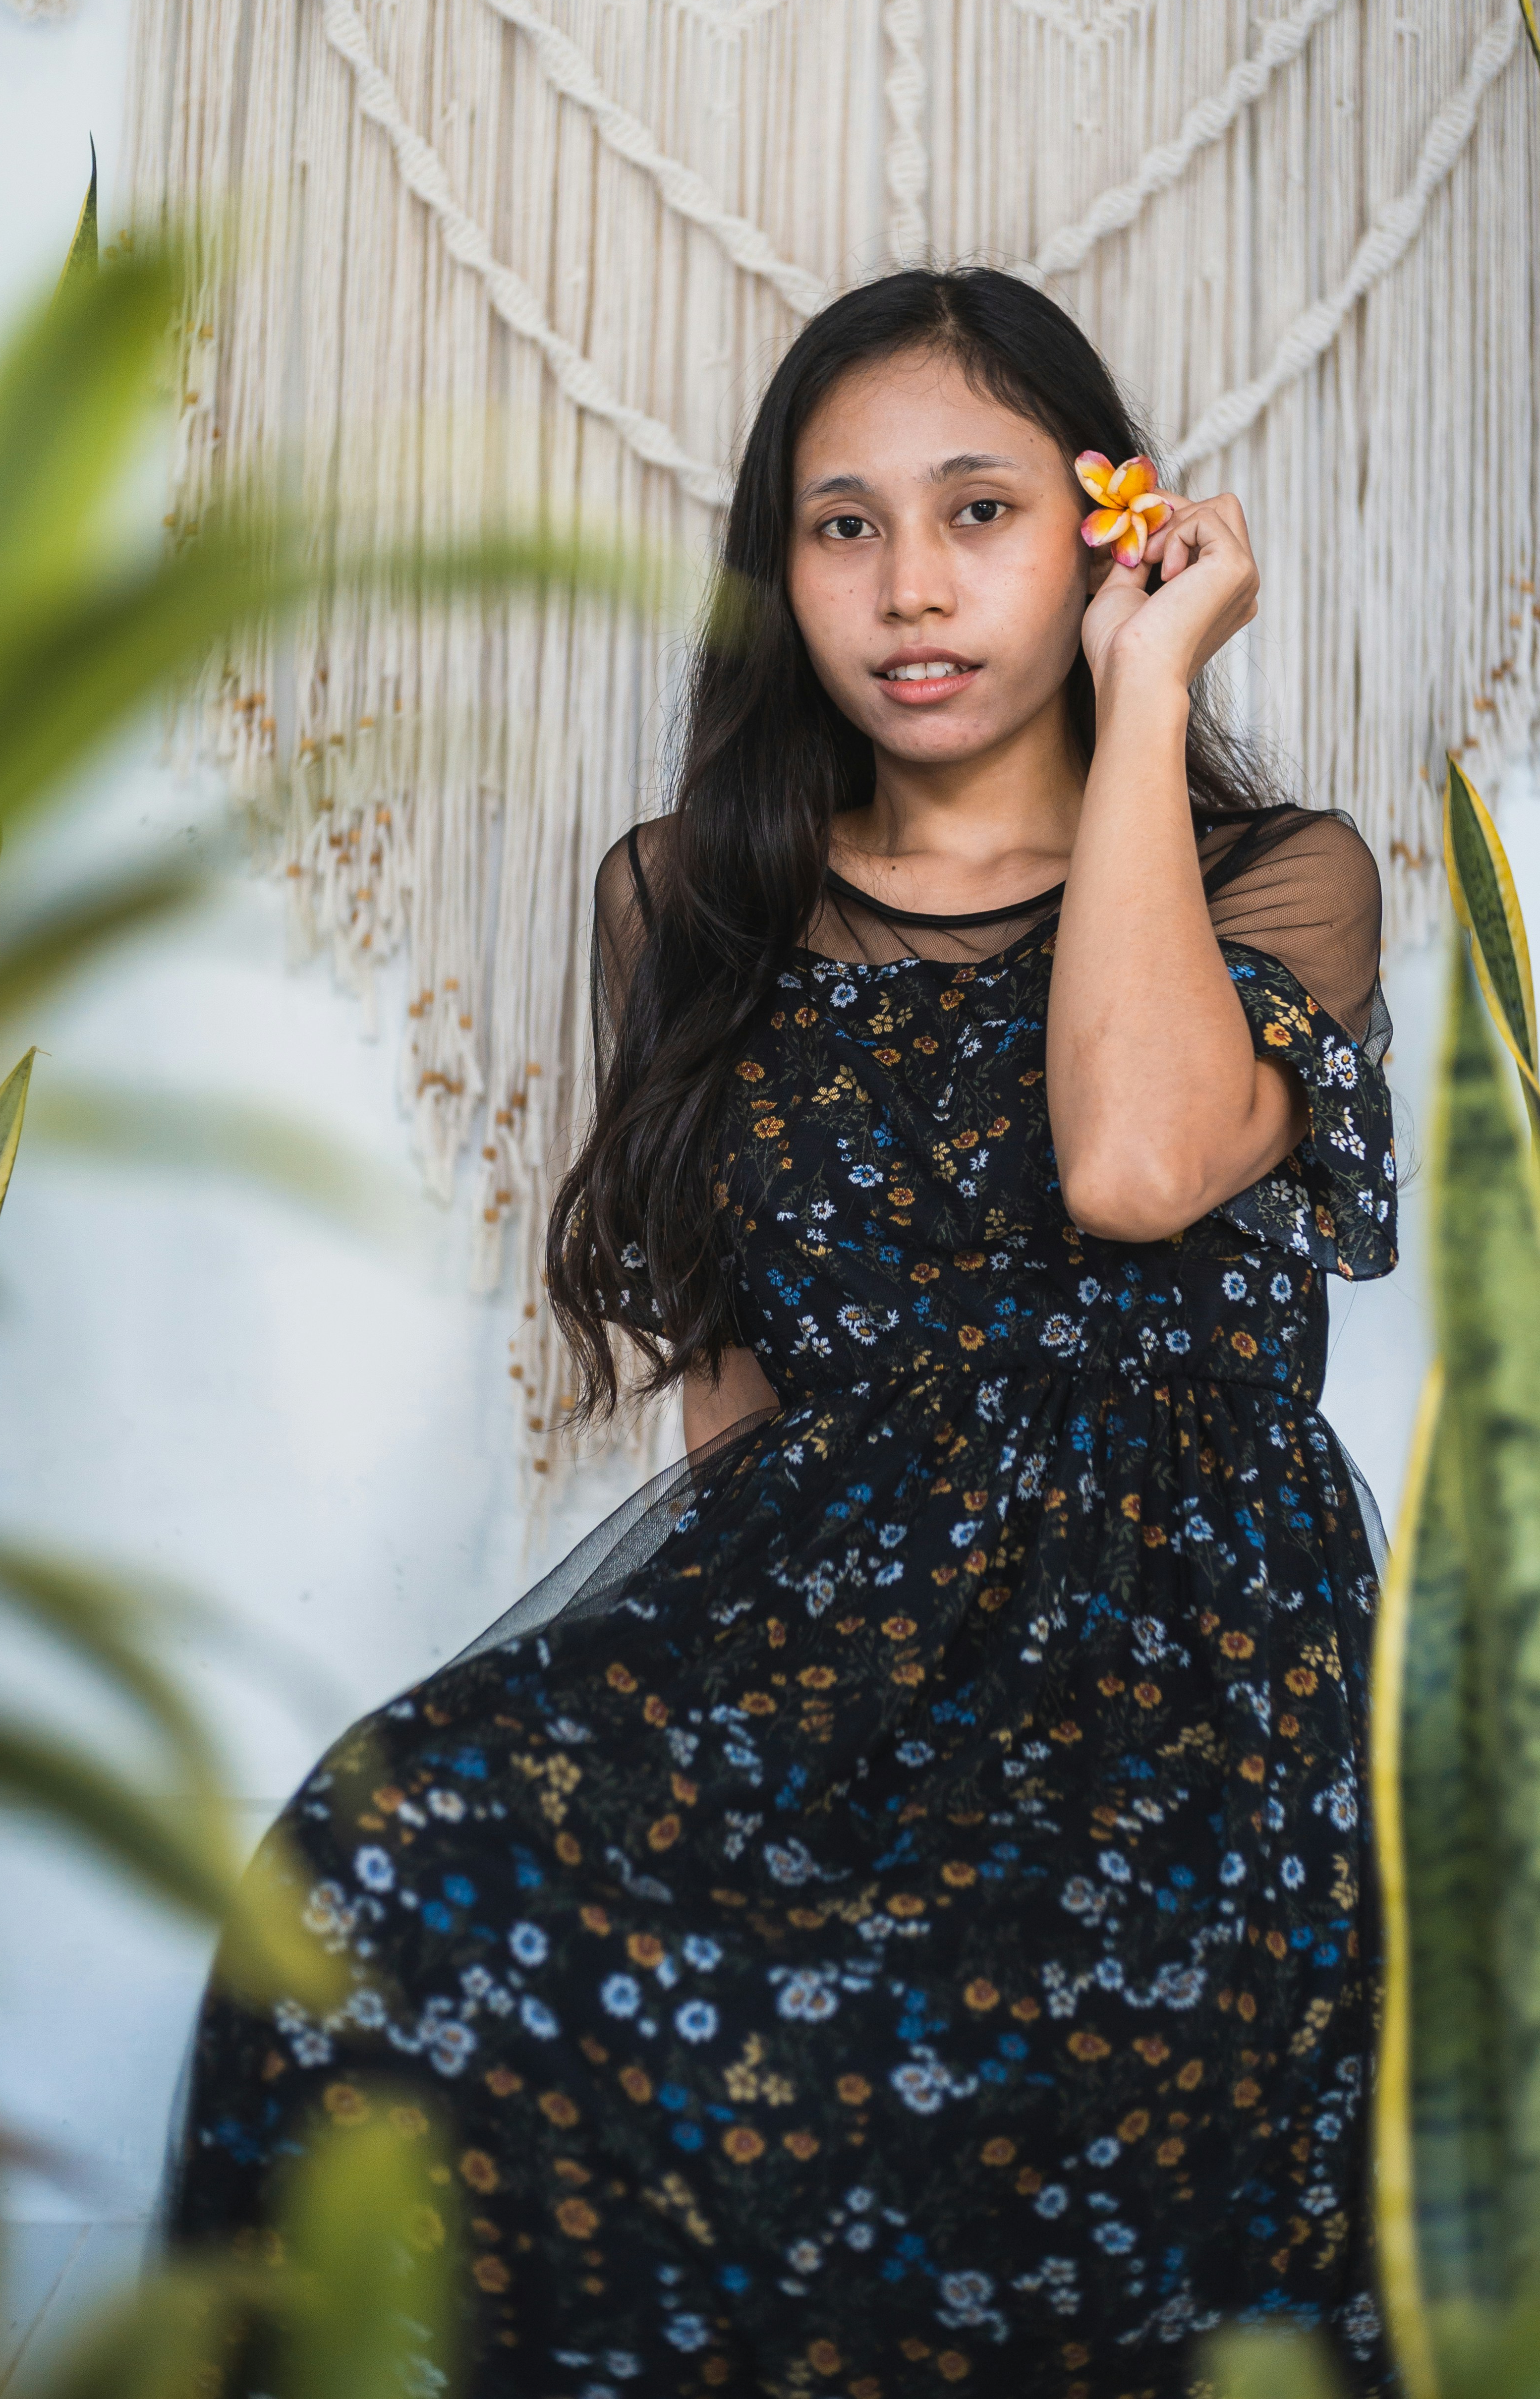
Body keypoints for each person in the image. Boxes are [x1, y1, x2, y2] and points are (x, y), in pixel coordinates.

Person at [171, 269, 1398, 2398]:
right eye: (843, 525)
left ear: (1105, 532)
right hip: (812, 1619)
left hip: (1177, 1692)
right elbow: (738, 1386)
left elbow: (1129, 1157)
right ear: (781, 573)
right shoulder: (686, 894)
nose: (909, 587)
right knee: (387, 1848)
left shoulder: (1285, 876)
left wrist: (1143, 690)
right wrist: (703, 1751)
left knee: (1000, 2033)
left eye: (979, 511)